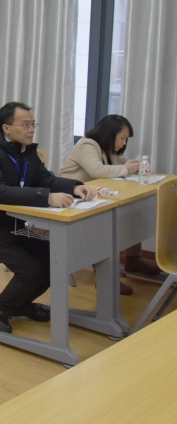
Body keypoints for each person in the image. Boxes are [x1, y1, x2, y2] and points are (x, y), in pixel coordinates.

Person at [0, 102, 95, 334]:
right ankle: (0, 308)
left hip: (12, 223)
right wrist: (47, 198)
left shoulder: (26, 150)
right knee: (32, 270)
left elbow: (45, 179)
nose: (31, 129)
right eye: (25, 125)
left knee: (53, 259)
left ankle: (20, 304)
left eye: (33, 124)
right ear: (6, 128)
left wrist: (75, 187)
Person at [59, 114, 160, 294]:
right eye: (122, 138)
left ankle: (133, 259)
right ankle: (105, 277)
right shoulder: (87, 145)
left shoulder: (107, 150)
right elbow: (97, 170)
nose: (123, 143)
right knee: (108, 225)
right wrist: (126, 168)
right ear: (110, 133)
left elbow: (120, 163)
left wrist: (131, 164)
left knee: (130, 214)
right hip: (72, 199)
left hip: (92, 198)